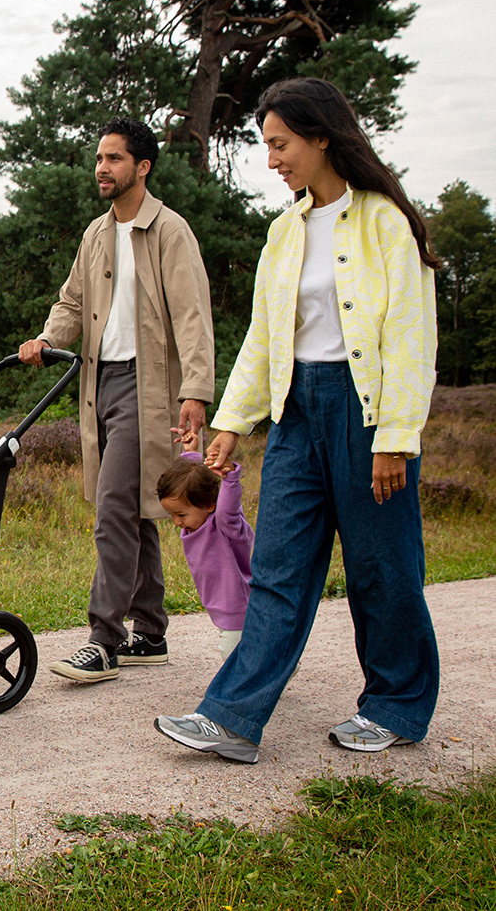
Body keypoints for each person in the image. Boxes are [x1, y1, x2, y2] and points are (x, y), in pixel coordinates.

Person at [154, 77, 439, 764]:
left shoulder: (384, 223)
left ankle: (396, 708)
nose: (273, 158)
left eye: (280, 144)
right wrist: (233, 420)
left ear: (321, 137)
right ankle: (231, 719)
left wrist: (396, 436)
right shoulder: (285, 231)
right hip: (294, 413)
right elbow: (263, 335)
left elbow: (408, 335)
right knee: (277, 569)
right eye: (267, 146)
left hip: (366, 414)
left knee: (381, 569)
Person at [19, 117, 215, 683]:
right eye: (99, 158)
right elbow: (72, 304)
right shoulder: (96, 234)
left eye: (114, 158)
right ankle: (150, 631)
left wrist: (196, 393)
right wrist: (48, 339)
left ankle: (104, 639)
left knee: (112, 512)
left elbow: (193, 318)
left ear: (142, 166)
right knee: (133, 509)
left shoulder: (170, 232)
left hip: (149, 387)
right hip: (98, 384)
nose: (102, 168)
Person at [157, 429, 252, 662]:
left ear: (210, 505)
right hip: (221, 604)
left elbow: (228, 509)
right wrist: (190, 454)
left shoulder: (224, 525)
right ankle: (281, 667)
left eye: (181, 514)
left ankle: (241, 692)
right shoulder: (194, 520)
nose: (177, 522)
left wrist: (230, 478)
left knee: (233, 658)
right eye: (171, 515)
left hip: (238, 605)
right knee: (249, 652)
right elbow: (191, 479)